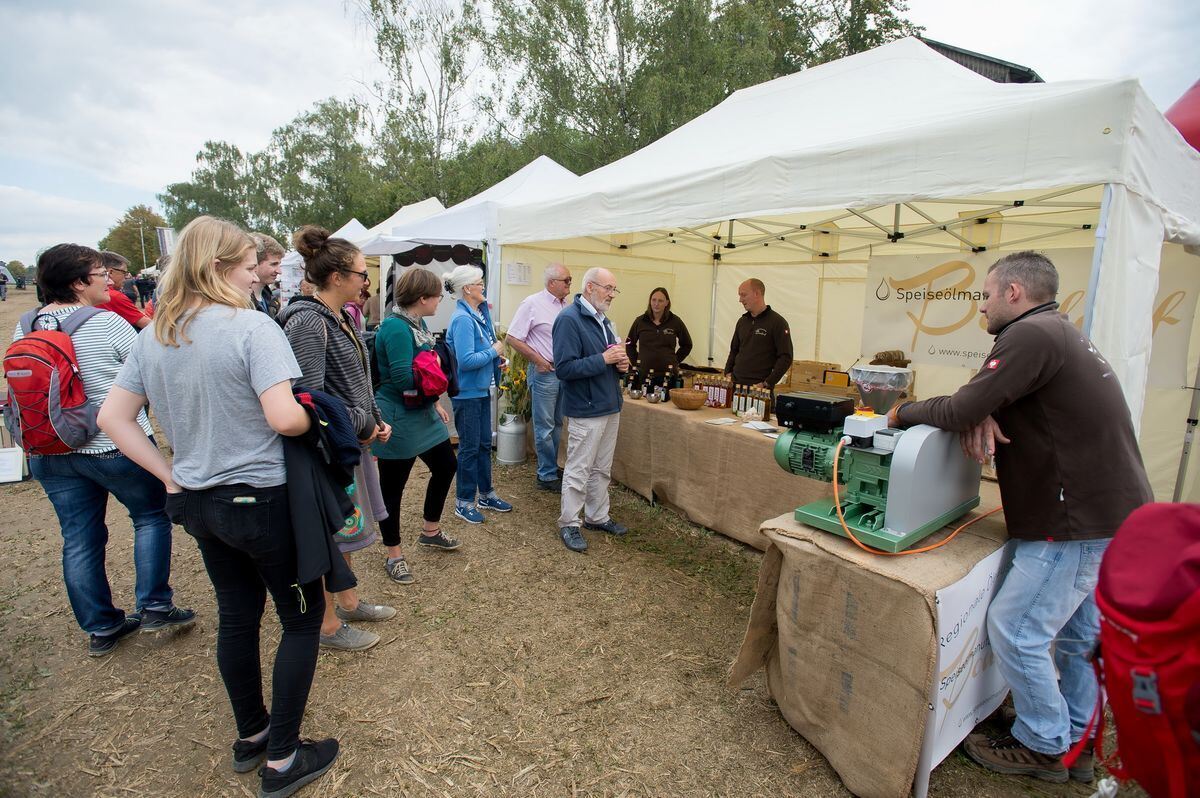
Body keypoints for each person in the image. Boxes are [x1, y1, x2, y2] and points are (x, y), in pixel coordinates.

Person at [887, 251, 1153, 784]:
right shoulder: (1055, 332)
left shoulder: (1031, 336)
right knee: (1078, 638)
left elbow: (962, 407)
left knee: (1018, 627)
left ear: (1013, 293)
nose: (980, 307)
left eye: (985, 295)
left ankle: (1043, 743)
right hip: (1112, 513)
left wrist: (902, 411)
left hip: (1075, 520)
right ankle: (1074, 737)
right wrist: (982, 403)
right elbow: (984, 397)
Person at [98, 216, 339, 796]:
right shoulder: (250, 328)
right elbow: (284, 417)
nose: (259, 273)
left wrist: (170, 475)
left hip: (199, 503)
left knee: (237, 615)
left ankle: (252, 733)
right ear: (218, 267)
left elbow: (112, 419)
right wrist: (318, 414)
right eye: (249, 262)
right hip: (261, 499)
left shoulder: (156, 332)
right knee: (301, 619)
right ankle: (282, 759)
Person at [17, 244, 194, 657]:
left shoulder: (25, 326)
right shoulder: (107, 324)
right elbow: (146, 376)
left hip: (50, 450)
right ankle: (154, 605)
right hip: (114, 446)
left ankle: (101, 626)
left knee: (78, 538)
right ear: (79, 282)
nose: (108, 281)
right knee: (150, 517)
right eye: (100, 274)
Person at [276, 226, 395, 653]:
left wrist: (374, 420)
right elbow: (307, 395)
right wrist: (364, 423)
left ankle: (348, 602)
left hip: (348, 442)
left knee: (347, 526)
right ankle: (327, 625)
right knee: (330, 530)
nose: (368, 282)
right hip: (326, 450)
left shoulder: (338, 315)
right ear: (338, 276)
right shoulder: (309, 322)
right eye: (363, 274)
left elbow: (357, 381)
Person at [373, 268, 461, 584]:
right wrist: (436, 371)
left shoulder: (417, 322)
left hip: (421, 410)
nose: (440, 301)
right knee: (392, 488)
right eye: (437, 295)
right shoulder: (397, 328)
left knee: (446, 464)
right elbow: (401, 378)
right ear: (422, 298)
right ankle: (393, 554)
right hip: (397, 415)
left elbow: (419, 368)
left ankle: (430, 531)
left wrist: (435, 400)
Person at [551, 267, 630, 553]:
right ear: (589, 288)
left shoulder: (604, 320)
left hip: (609, 405)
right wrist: (604, 359)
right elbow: (564, 368)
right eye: (608, 288)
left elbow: (611, 360)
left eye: (614, 290)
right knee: (578, 468)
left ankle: (597, 516)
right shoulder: (569, 320)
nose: (612, 295)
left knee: (602, 468)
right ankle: (570, 523)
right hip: (586, 408)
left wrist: (621, 366)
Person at [445, 265, 514, 524]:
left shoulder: (477, 314)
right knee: (470, 448)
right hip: (467, 393)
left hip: (480, 390)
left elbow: (481, 353)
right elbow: (465, 361)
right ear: (467, 289)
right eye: (479, 281)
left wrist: (497, 360)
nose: (483, 285)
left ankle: (485, 494)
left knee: (484, 445)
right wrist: (494, 352)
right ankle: (463, 502)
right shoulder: (463, 319)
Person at [506, 264, 571, 492]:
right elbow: (513, 338)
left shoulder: (567, 307)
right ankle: (545, 475)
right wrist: (538, 360)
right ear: (552, 282)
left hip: (563, 372)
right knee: (544, 427)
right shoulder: (532, 303)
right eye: (566, 280)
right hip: (545, 372)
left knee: (557, 424)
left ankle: (551, 467)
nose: (570, 285)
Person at [723, 278, 792, 389]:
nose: (740, 300)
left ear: (757, 294)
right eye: (739, 296)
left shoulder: (777, 322)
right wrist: (727, 372)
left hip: (759, 391)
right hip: (735, 388)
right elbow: (734, 350)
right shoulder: (742, 321)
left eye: (743, 295)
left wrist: (768, 383)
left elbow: (786, 357)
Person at [625, 286, 693, 383]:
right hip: (644, 375)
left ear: (667, 303)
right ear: (650, 301)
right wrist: (636, 363)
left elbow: (687, 344)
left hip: (668, 376)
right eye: (654, 300)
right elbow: (629, 344)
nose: (656, 304)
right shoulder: (640, 321)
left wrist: (674, 361)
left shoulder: (675, 321)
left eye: (660, 301)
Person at [96, 251, 151, 330]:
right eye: (124, 272)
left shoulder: (92, 295)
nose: (126, 277)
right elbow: (147, 324)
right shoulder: (114, 296)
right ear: (110, 272)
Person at [249, 233, 284, 318]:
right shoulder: (240, 303)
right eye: (274, 264)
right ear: (255, 263)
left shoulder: (272, 301)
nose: (279, 271)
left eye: (279, 265)